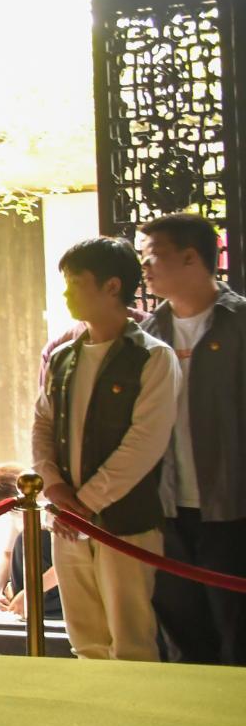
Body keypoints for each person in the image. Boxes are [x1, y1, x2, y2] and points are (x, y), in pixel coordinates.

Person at [31, 236, 178, 662]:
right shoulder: (63, 357)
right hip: (68, 519)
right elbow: (42, 425)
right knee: (85, 640)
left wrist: (86, 503)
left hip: (124, 521)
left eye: (75, 283)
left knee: (131, 640)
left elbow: (145, 442)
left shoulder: (152, 357)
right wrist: (54, 487)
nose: (66, 293)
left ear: (112, 286)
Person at [140, 211, 246, 665]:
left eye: (153, 256)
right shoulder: (147, 334)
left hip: (232, 509)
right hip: (166, 510)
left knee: (237, 635)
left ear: (190, 257)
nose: (145, 267)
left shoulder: (238, 323)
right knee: (184, 638)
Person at [0, 464, 60, 626]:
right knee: (22, 541)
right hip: (34, 590)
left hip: (59, 588)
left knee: (32, 538)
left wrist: (29, 593)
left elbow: (65, 564)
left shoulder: (49, 505)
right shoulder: (16, 512)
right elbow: (8, 555)